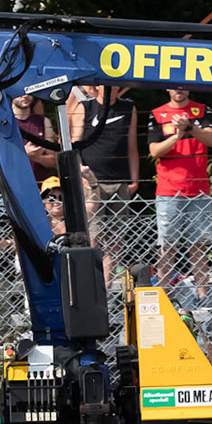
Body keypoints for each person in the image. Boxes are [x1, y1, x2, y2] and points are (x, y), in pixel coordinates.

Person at [148, 84, 212, 302]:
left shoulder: (202, 110)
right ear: (167, 89)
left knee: (198, 245)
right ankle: (165, 297)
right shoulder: (157, 114)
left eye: (184, 86)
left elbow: (211, 140)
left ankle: (203, 296)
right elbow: (154, 151)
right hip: (168, 190)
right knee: (167, 245)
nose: (179, 90)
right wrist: (177, 136)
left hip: (198, 189)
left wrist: (189, 128)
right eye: (174, 86)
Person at [68, 84, 139, 279]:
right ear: (96, 86)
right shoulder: (85, 107)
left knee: (116, 239)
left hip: (119, 180)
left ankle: (106, 287)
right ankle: (89, 281)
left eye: (114, 84)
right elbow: (75, 144)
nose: (110, 88)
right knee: (94, 236)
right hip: (92, 181)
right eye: (105, 84)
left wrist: (134, 180)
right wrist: (80, 173)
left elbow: (132, 145)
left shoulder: (128, 107)